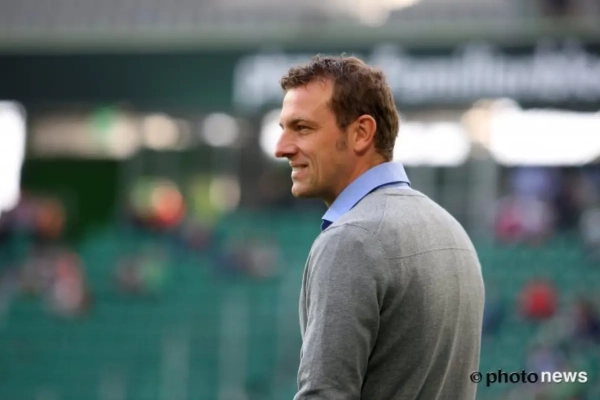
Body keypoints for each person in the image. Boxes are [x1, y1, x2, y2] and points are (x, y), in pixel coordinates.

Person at [274, 55, 485, 400]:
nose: (281, 148)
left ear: (361, 133)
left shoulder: (351, 240)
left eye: (302, 128)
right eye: (282, 128)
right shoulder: (452, 230)